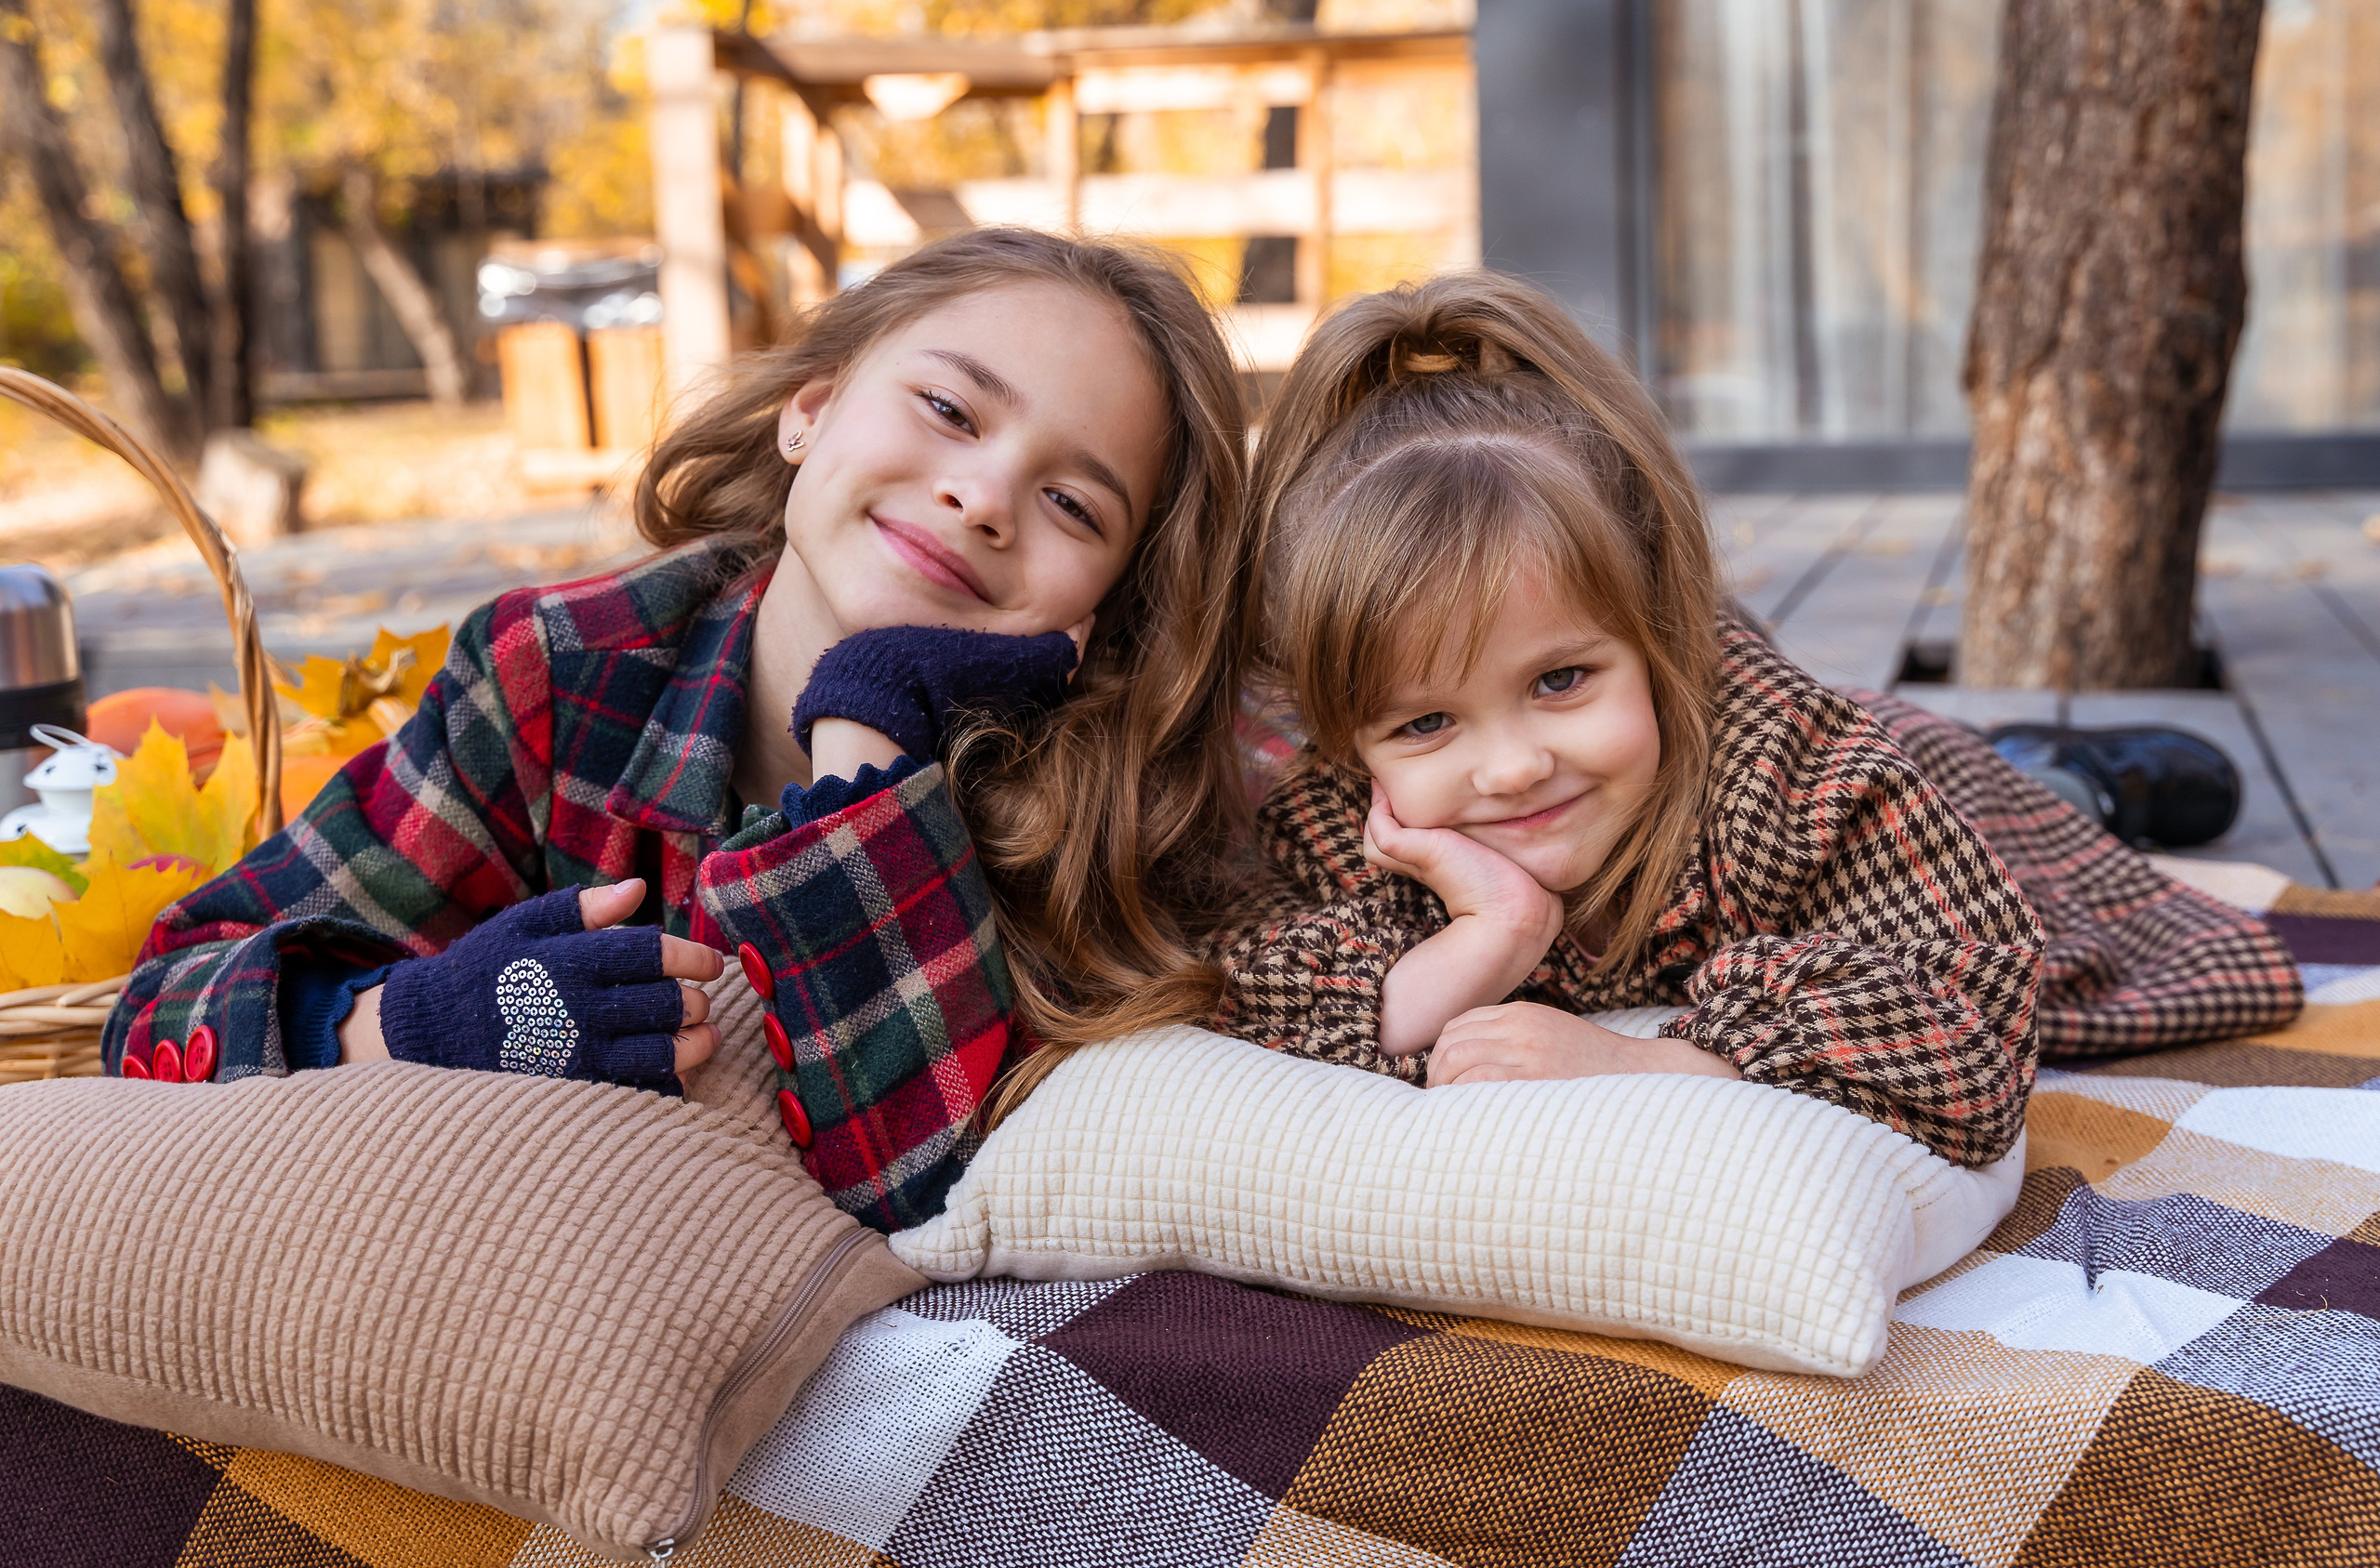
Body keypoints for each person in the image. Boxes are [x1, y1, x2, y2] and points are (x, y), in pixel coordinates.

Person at [101, 229, 1253, 1233]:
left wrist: (866, 722)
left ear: (1102, 613)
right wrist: (409, 1021)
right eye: (949, 409)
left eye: (1072, 505)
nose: (985, 495)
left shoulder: (1105, 811)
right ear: (812, 410)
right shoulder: (558, 677)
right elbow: (159, 1010)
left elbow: (920, 1184)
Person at [1203, 273, 2303, 1168]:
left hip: (1917, 774)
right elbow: (1267, 1006)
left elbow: (1961, 1022)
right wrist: (1497, 933)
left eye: (1559, 682)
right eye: (1429, 721)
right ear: (1345, 735)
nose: (1511, 767)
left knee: (2011, 826)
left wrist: (1650, 1061)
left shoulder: (1809, 774)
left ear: (1657, 629)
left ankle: (2072, 776)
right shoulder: (1342, 812)